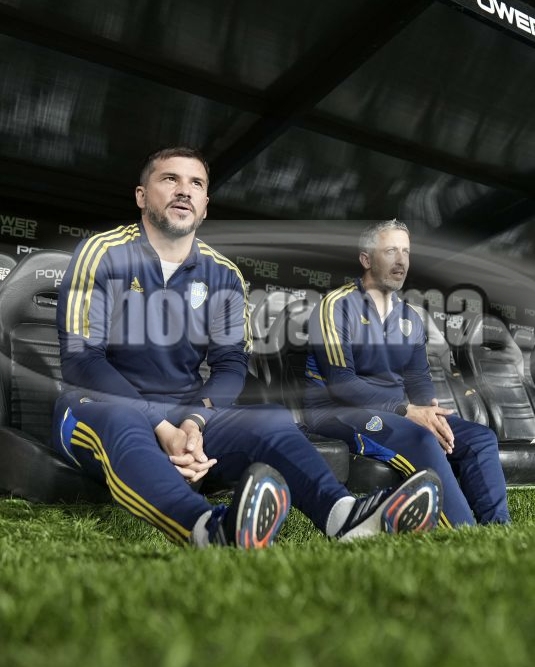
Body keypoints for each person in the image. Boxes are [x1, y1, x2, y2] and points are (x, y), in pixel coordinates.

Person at [52, 149, 443, 549]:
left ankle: (344, 515)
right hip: (98, 407)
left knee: (271, 419)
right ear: (141, 196)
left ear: (205, 205)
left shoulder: (224, 274)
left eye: (196, 183)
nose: (184, 190)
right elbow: (82, 359)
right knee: (121, 417)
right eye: (170, 179)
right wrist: (162, 427)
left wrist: (194, 423)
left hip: (185, 417)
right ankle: (208, 530)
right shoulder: (102, 252)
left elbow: (230, 365)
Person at [304, 218, 511, 528]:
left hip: (397, 412)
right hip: (338, 413)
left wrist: (429, 412)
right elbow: (342, 384)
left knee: (480, 438)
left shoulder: (410, 317)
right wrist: (407, 411)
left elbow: (417, 377)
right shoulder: (335, 306)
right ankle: (463, 533)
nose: (401, 261)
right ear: (366, 259)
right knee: (422, 438)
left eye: (406, 252)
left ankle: (498, 530)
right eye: (390, 251)